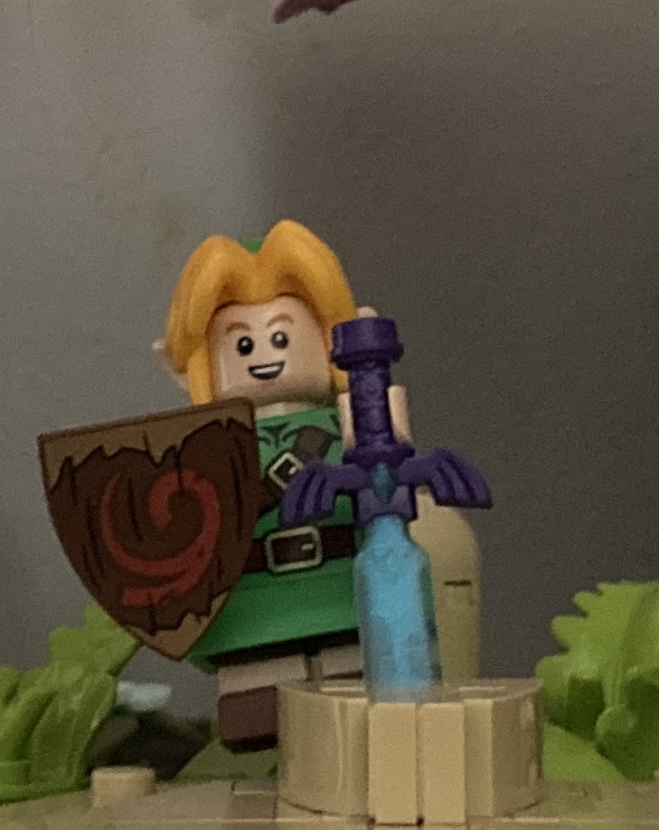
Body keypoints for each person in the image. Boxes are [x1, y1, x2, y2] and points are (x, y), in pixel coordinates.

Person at [153, 221, 478, 749]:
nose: (265, 354)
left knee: (359, 709)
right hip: (255, 606)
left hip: (339, 593)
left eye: (281, 336)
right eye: (242, 343)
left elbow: (385, 472)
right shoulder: (208, 449)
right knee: (262, 716)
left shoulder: (349, 424)